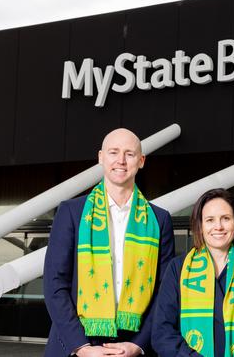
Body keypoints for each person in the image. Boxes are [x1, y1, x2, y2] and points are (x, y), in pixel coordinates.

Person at [44, 128, 175, 357]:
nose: (121, 161)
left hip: (133, 343)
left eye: (130, 154)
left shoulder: (159, 220)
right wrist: (82, 347)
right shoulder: (71, 213)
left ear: (141, 161)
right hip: (77, 344)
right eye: (113, 152)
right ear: (101, 157)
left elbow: (164, 292)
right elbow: (54, 284)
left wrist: (139, 344)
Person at [152, 188, 234, 357]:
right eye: (210, 220)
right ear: (200, 227)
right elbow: (162, 332)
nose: (218, 226)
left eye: (226, 218)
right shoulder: (177, 268)